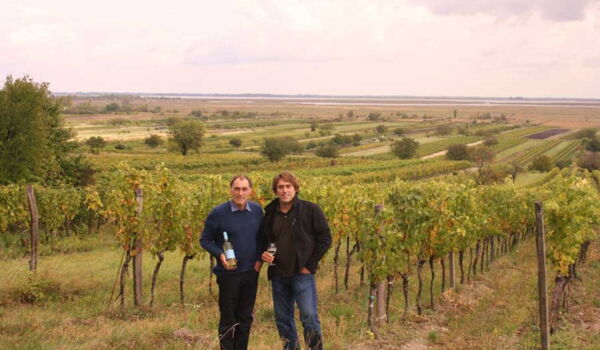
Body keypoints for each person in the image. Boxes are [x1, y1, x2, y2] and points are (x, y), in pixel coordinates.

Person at [261, 171, 332, 350]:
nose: (284, 190)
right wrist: (266, 254)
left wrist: (309, 265)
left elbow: (325, 238)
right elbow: (268, 240)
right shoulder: (269, 211)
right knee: (283, 320)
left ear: (295, 188)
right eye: (280, 187)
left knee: (309, 317)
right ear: (275, 190)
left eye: (288, 186)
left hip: (302, 274)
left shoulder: (310, 209)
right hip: (278, 274)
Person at [200, 175, 264, 350]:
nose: (240, 193)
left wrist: (259, 262)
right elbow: (205, 240)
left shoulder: (257, 211)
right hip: (228, 275)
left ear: (250, 191)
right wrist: (220, 254)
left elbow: (261, 239)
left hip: (251, 273)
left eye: (244, 189)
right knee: (228, 319)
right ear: (231, 190)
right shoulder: (218, 213)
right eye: (237, 189)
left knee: (245, 318)